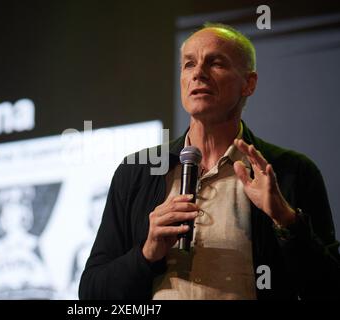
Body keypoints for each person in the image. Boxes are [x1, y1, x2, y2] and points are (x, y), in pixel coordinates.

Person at [79, 23, 340, 300]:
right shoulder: (136, 172)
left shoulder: (291, 172)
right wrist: (147, 253)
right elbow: (93, 293)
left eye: (215, 63)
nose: (198, 73)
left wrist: (287, 221)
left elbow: (328, 288)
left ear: (248, 84)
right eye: (189, 65)